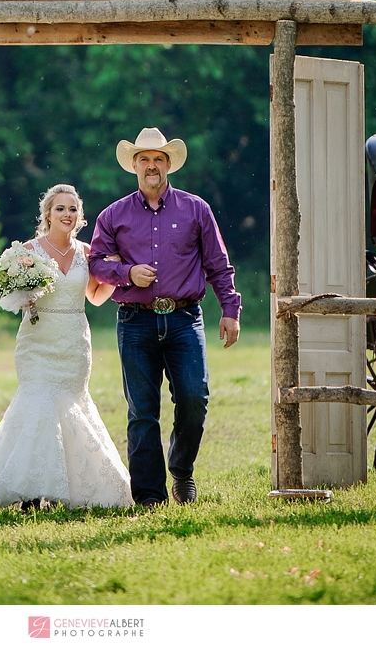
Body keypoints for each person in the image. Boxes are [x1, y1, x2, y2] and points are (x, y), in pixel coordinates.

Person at [89, 127, 241, 508]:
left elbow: (218, 265)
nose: (151, 166)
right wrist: (127, 273)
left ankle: (182, 469)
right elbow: (95, 263)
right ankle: (149, 497)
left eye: (158, 159)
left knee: (194, 398)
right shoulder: (113, 215)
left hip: (184, 318)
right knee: (142, 410)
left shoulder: (196, 209)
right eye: (144, 159)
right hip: (134, 320)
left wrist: (230, 310)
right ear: (134, 166)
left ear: (169, 164)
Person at [0, 184, 133, 510]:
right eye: (60, 209)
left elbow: (95, 297)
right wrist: (22, 296)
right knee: (37, 404)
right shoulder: (27, 252)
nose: (66, 214)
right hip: (37, 342)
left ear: (80, 217)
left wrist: (115, 273)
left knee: (69, 407)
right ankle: (30, 492)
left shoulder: (87, 253)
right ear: (48, 214)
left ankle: (62, 488)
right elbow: (4, 294)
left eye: (72, 209)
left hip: (74, 341)